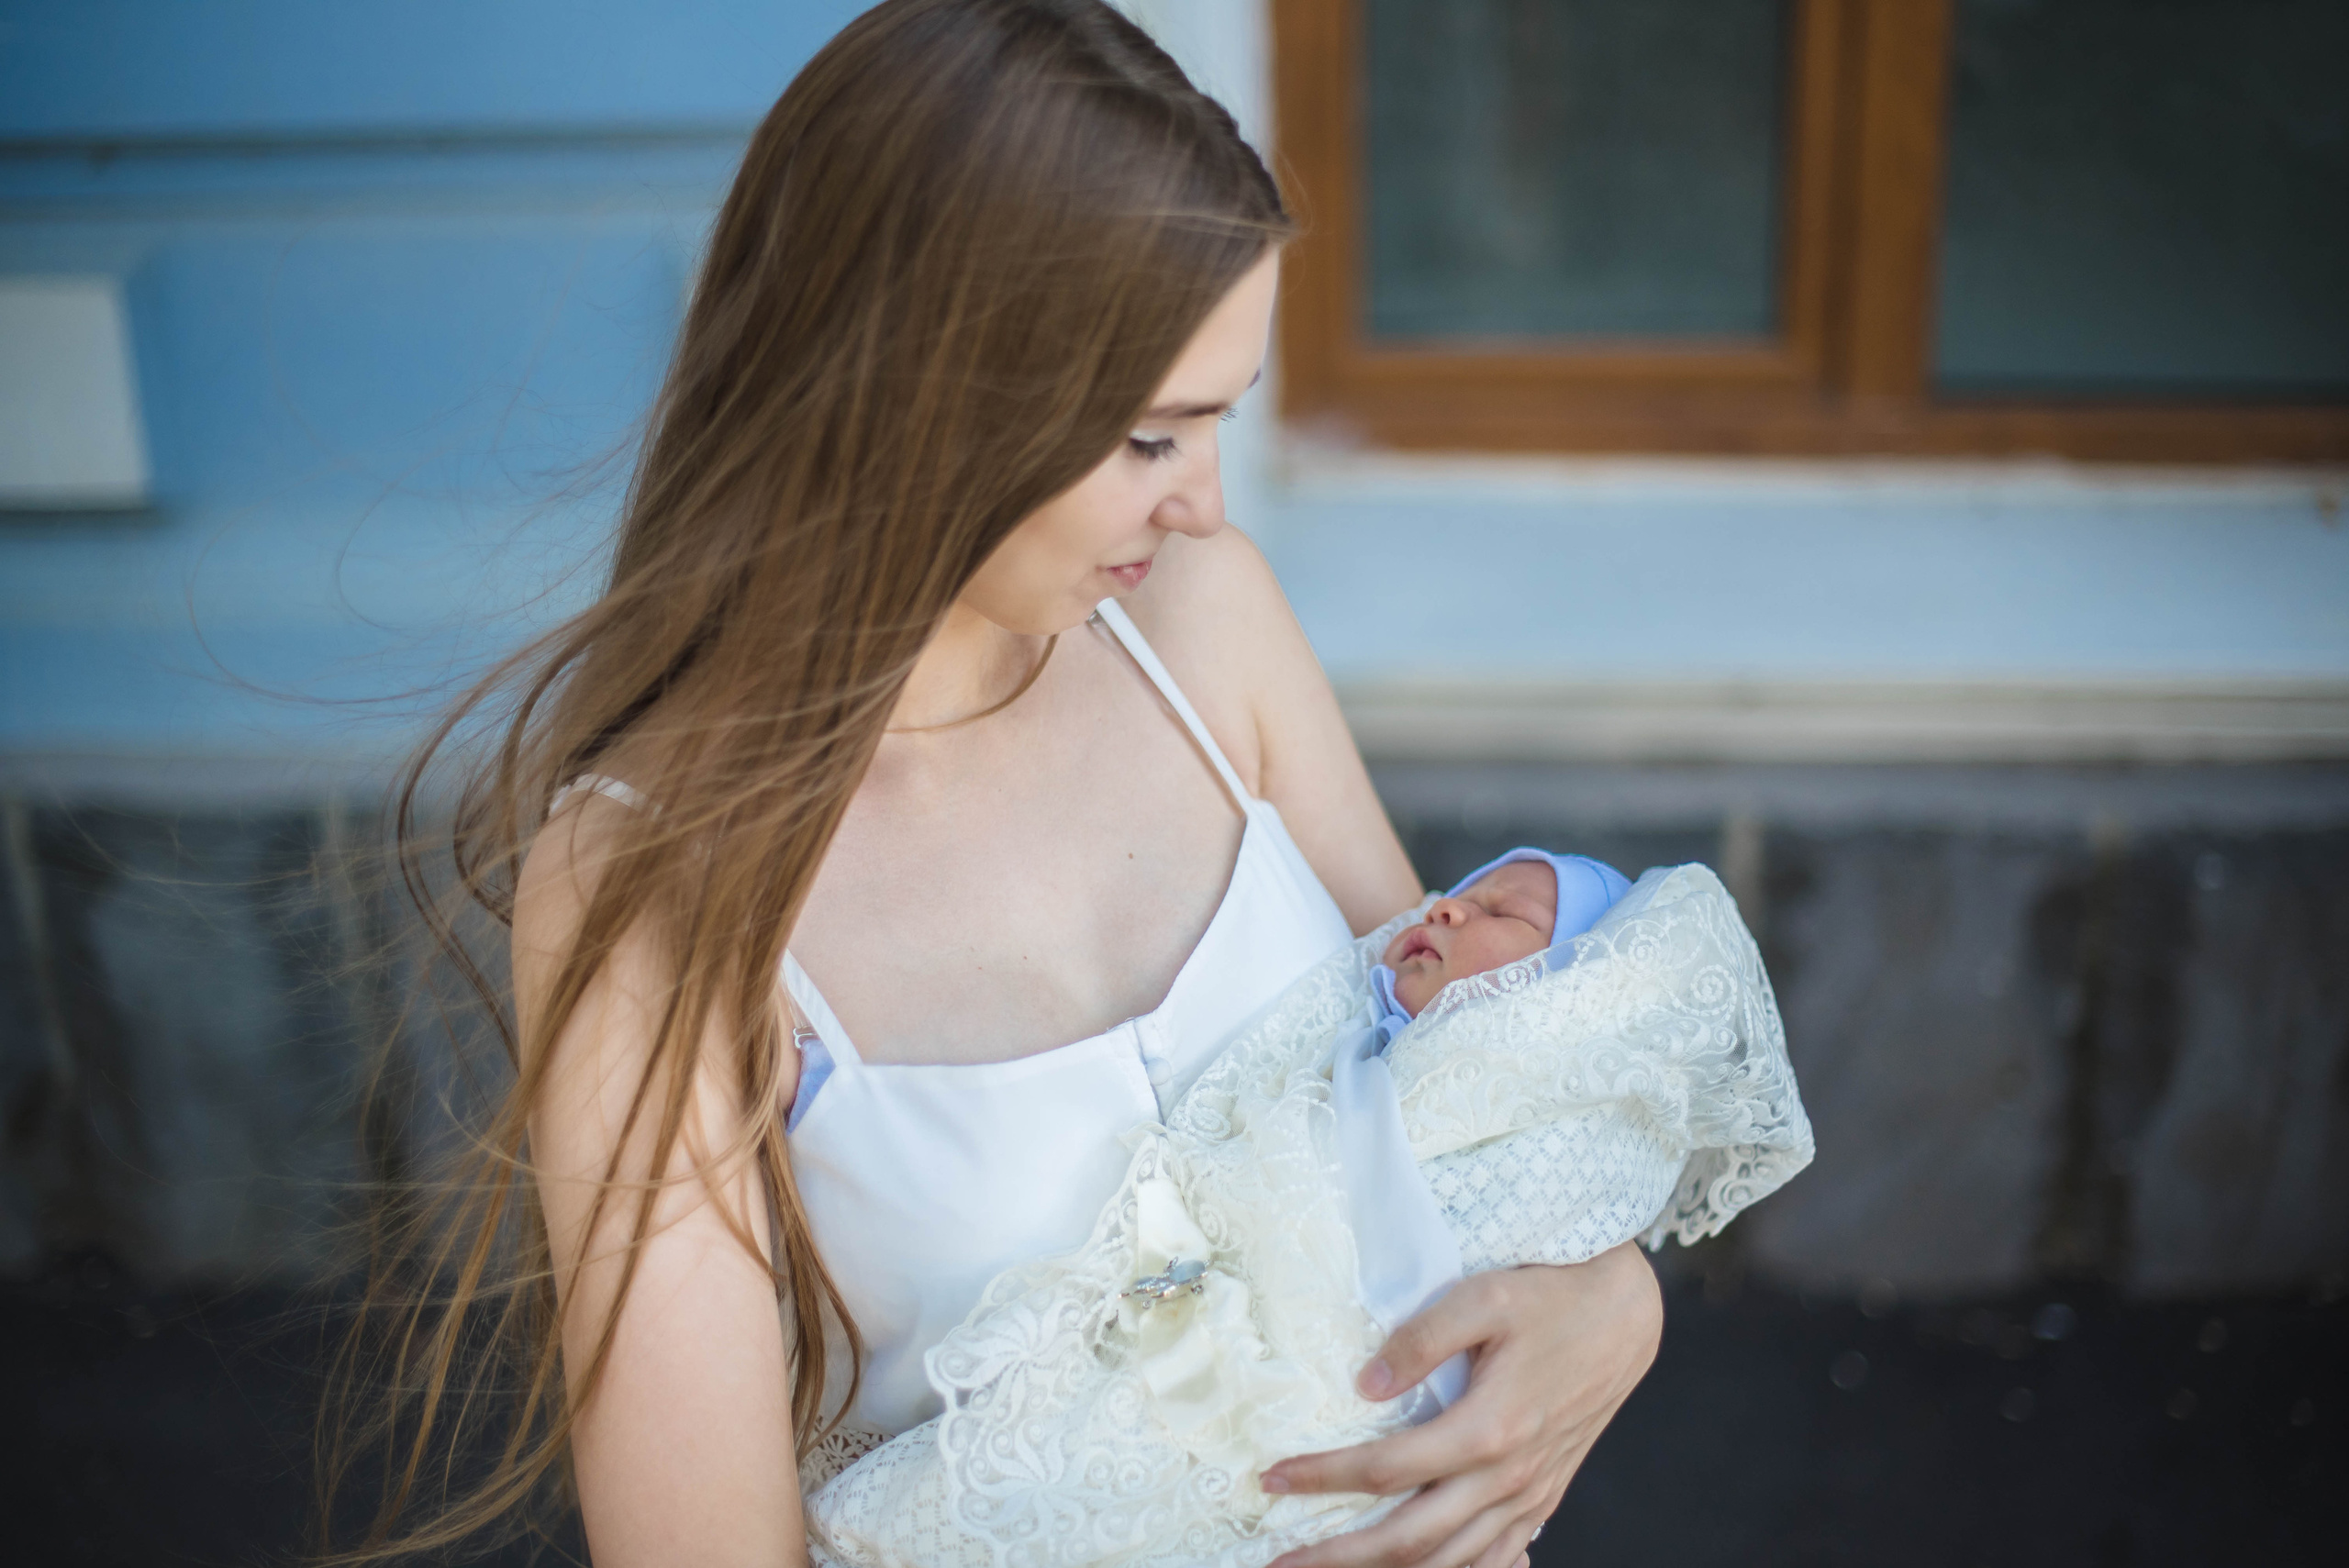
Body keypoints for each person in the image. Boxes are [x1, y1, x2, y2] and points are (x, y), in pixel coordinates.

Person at [341, 5, 1664, 1565]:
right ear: (926, 389)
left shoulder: (1207, 620)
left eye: (1219, 421)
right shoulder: (653, 881)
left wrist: (1616, 1303)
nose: (1203, 503)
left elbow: (1475, 1085)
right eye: (1151, 434)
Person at [794, 852, 1811, 1568]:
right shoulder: (1353, 1040)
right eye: (1460, 890)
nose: (1449, 907)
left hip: (1348, 1409)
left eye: (1507, 914)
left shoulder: (1544, 1100)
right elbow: (1262, 1144)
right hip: (1159, 1333)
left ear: (1569, 1006)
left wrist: (1617, 1290)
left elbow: (1545, 1209)